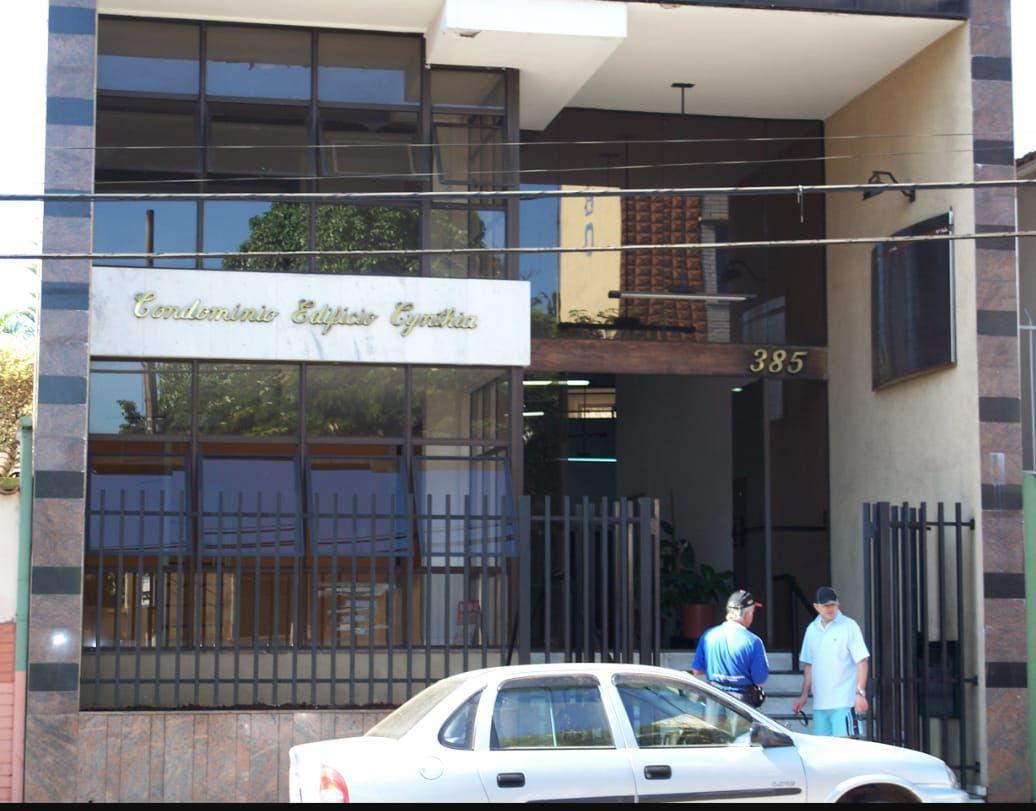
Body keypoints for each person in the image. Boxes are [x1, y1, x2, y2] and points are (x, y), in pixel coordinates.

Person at [792, 586, 870, 737]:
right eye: (826, 605)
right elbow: (809, 665)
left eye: (833, 605)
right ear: (816, 607)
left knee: (844, 748)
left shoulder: (849, 626)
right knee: (822, 749)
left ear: (838, 604)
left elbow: (862, 661)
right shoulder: (811, 629)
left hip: (845, 702)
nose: (830, 609)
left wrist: (860, 692)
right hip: (820, 704)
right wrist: (804, 695)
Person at [690, 589, 768, 706]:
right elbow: (760, 679)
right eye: (752, 612)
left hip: (713, 699)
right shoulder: (753, 642)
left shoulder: (708, 636)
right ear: (747, 614)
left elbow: (697, 671)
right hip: (742, 703)